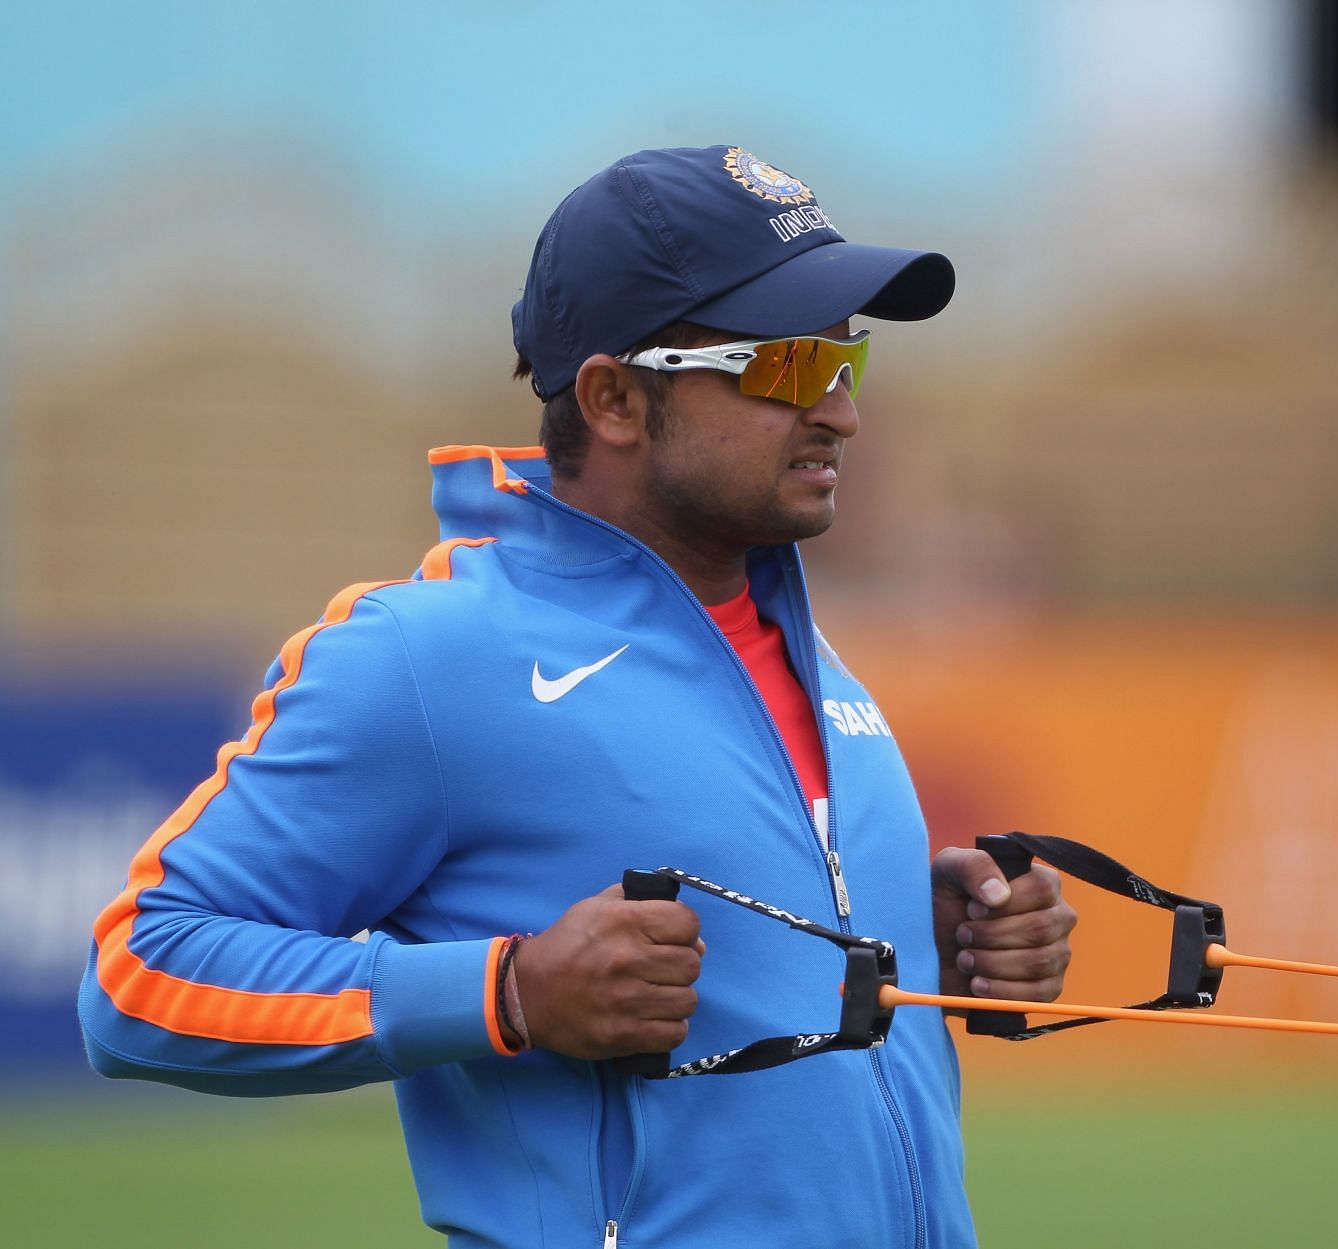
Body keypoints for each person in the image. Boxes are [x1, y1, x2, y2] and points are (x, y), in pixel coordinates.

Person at [78, 144, 1076, 1249]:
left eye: (848, 360)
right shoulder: (425, 654)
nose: (841, 412)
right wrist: (507, 993)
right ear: (612, 398)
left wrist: (924, 937)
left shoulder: (801, 639)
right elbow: (139, 974)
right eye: (788, 366)